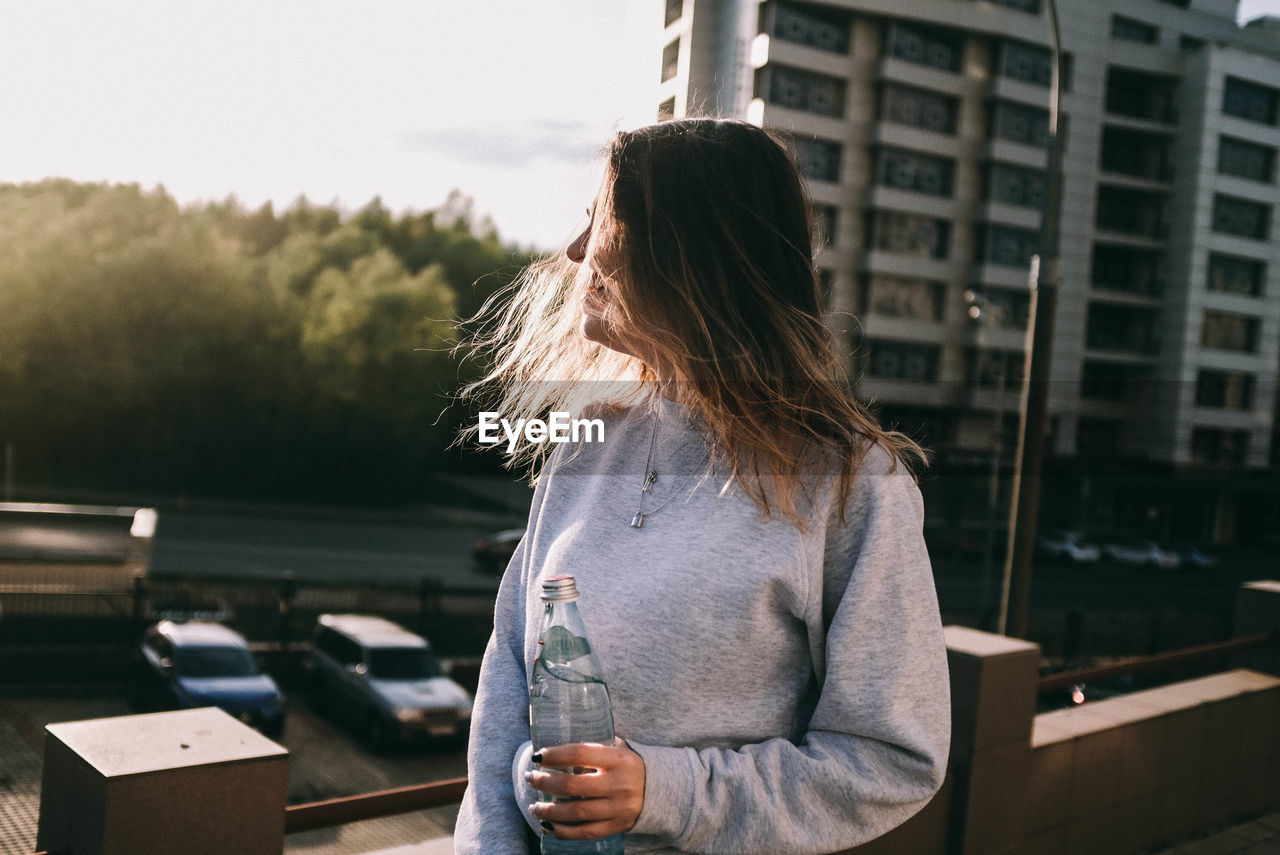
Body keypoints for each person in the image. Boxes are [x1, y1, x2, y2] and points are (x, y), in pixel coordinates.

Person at [454, 118, 950, 855]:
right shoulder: (586, 445)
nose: (576, 252)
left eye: (604, 223)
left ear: (686, 254)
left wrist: (667, 791)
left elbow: (894, 758)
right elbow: (506, 682)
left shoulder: (851, 484)